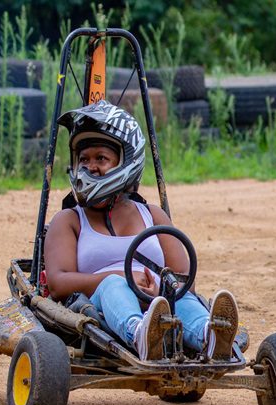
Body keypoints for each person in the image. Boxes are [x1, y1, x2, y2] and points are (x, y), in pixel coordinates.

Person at [44, 100, 241, 361]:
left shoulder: (153, 216)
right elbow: (57, 283)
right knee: (114, 284)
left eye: (101, 158)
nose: (90, 167)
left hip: (159, 301)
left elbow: (184, 278)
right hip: (99, 305)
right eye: (84, 159)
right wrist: (119, 277)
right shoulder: (70, 220)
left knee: (180, 296)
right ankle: (141, 334)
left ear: (126, 161)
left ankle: (209, 335)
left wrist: (157, 293)